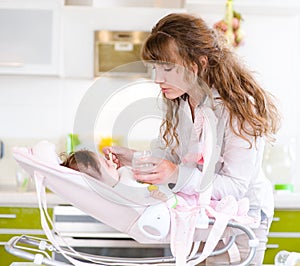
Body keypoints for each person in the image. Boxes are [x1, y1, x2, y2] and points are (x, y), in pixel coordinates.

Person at [103, 13, 281, 265]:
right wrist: (133, 159)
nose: (157, 79)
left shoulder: (238, 109)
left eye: (167, 68)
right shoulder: (181, 102)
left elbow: (234, 186)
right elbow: (169, 157)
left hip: (240, 221)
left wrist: (176, 174)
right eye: (154, 68)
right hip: (198, 216)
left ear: (199, 64)